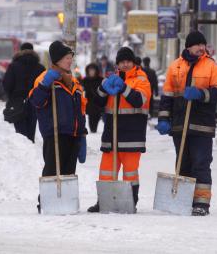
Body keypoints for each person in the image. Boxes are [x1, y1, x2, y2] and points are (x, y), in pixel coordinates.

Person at [156, 31, 217, 216]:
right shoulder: (175, 67)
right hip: (180, 125)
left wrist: (201, 94)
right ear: (188, 46)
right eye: (197, 45)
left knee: (201, 164)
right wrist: (163, 119)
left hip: (202, 125)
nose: (201, 48)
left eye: (203, 45)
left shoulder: (211, 66)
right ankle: (184, 199)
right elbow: (167, 97)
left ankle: (201, 203)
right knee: (183, 164)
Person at [87, 47, 151, 213]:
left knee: (130, 173)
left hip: (132, 135)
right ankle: (103, 202)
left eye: (128, 61)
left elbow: (139, 100)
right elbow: (97, 103)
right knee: (106, 172)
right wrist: (103, 89)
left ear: (133, 62)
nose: (125, 64)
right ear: (117, 64)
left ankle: (130, 203)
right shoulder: (110, 79)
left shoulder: (141, 79)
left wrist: (124, 88)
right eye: (122, 61)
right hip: (111, 136)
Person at [29, 41, 88, 213]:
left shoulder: (74, 82)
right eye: (67, 58)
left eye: (71, 58)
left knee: (69, 171)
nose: (70, 61)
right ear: (57, 60)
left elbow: (81, 110)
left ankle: (66, 203)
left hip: (73, 133)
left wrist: (82, 134)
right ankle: (46, 202)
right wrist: (45, 85)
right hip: (55, 133)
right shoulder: (44, 79)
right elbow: (36, 102)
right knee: (52, 170)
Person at [2, 42, 45, 142]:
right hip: (34, 102)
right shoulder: (40, 68)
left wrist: (11, 96)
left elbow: (7, 84)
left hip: (17, 102)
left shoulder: (13, 66)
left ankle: (23, 151)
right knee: (31, 130)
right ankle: (30, 149)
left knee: (20, 133)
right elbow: (44, 85)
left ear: (20, 51)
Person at [82, 63, 104, 133]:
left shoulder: (101, 80)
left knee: (98, 122)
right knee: (91, 125)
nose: (91, 72)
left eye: (93, 70)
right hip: (89, 105)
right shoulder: (85, 80)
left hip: (99, 105)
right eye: (90, 70)